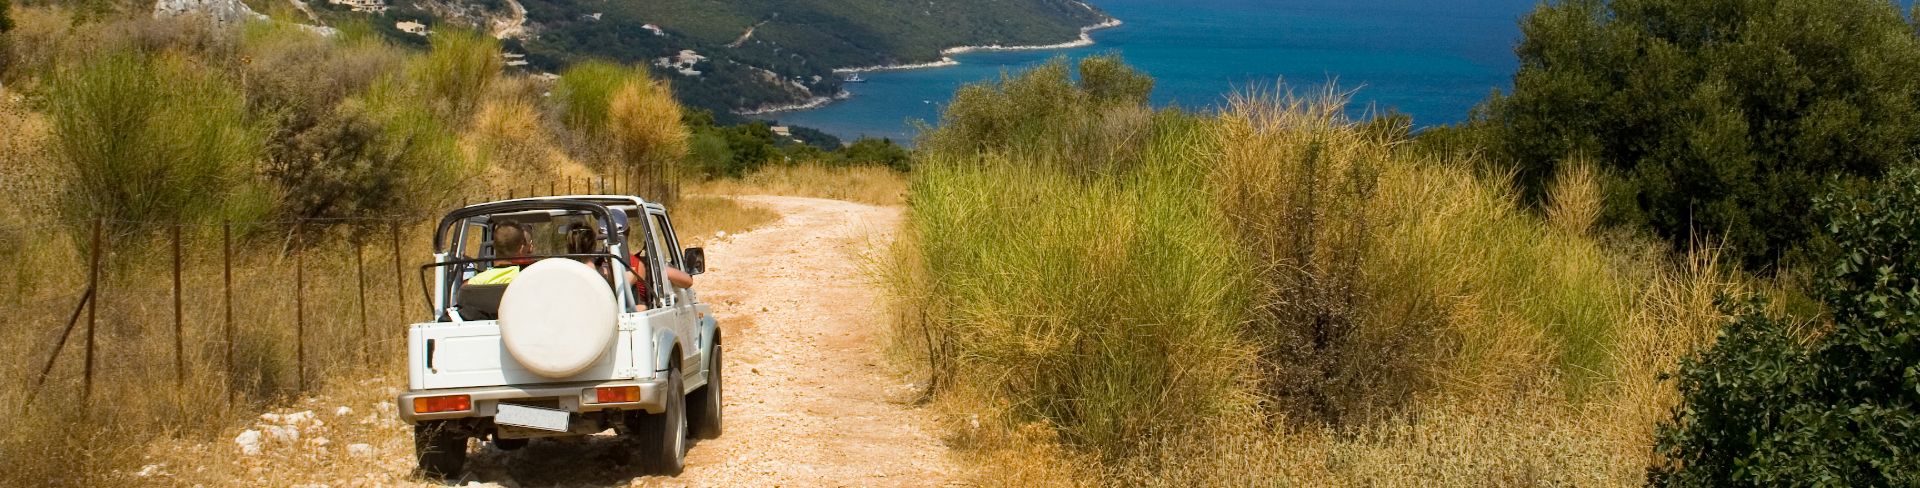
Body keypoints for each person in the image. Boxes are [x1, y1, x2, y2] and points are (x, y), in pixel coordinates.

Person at [467, 221, 534, 285]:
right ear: (520, 249)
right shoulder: (531, 276)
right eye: (530, 244)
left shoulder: (475, 282)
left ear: (494, 246)